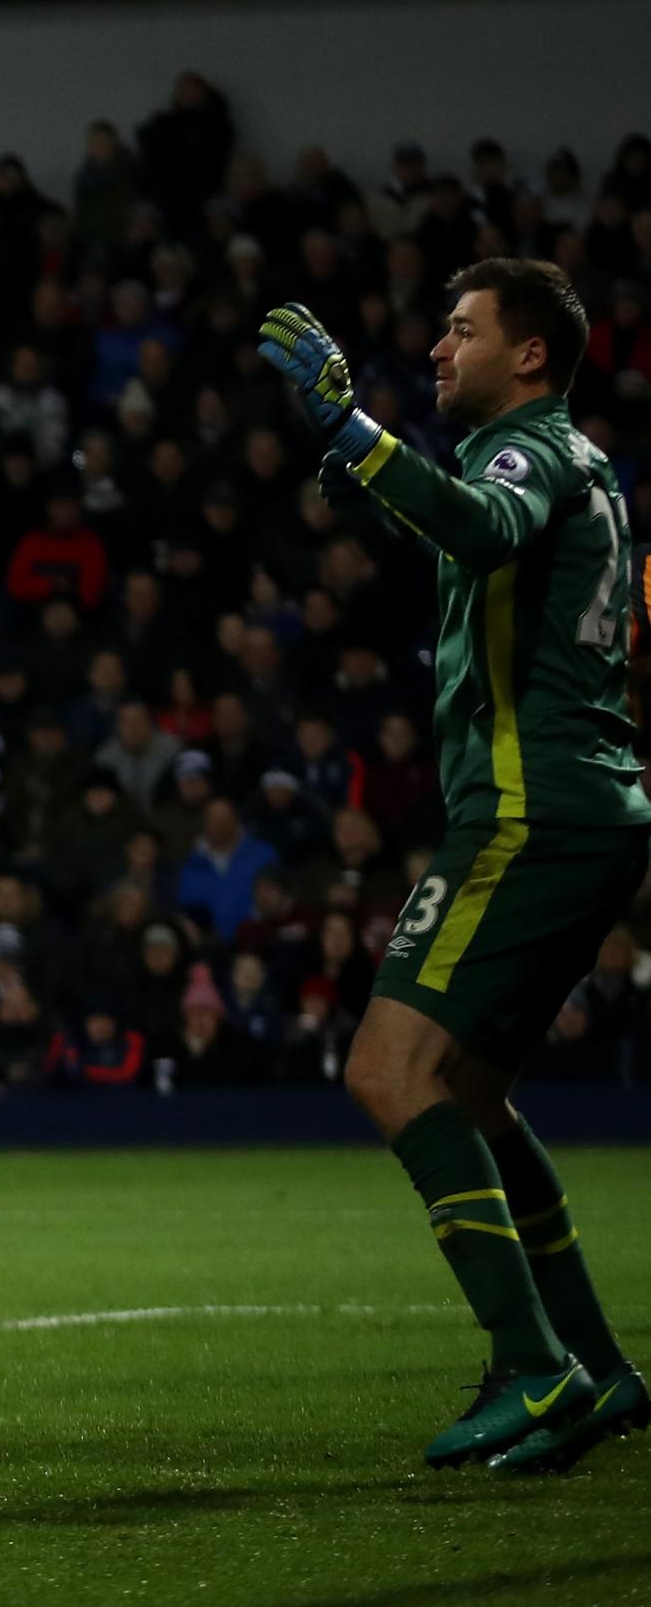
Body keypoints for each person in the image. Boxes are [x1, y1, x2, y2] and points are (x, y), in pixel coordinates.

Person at [260, 263, 649, 1472]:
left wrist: (348, 424)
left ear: (528, 357)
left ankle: (532, 1367)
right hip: (583, 809)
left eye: (461, 330)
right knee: (470, 1090)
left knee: (388, 1069)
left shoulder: (530, 454)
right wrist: (387, 488)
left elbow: (485, 527)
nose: (437, 347)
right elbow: (492, 558)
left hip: (532, 815)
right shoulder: (568, 465)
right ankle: (596, 1367)